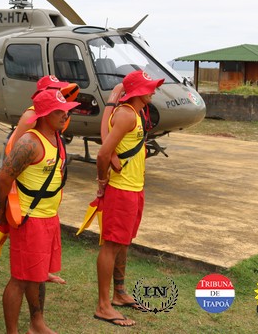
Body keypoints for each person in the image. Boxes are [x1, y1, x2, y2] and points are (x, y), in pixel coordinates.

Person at [0, 89, 79, 334]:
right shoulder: (29, 143)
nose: (65, 115)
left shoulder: (57, 137)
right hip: (30, 221)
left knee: (38, 275)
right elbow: (2, 179)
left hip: (49, 218)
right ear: (43, 115)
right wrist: (2, 213)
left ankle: (37, 323)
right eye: (59, 111)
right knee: (20, 279)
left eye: (66, 110)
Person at [93, 70, 162, 328]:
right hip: (121, 190)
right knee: (111, 245)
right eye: (149, 87)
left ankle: (119, 293)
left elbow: (107, 134)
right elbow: (102, 154)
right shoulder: (125, 115)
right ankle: (103, 305)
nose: (153, 91)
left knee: (122, 243)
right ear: (138, 93)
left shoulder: (135, 112)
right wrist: (102, 184)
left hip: (134, 189)